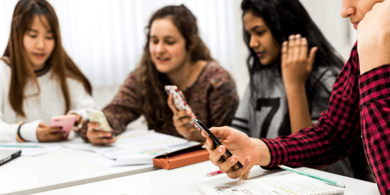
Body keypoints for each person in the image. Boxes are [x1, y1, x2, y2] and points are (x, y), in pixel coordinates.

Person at [203, 0, 390, 194]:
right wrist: (256, 150)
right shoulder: (260, 79)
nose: (344, 11)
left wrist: (374, 57)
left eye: (259, 32)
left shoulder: (341, 66)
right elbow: (332, 136)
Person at [230, 0, 359, 178]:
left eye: (260, 32)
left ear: (285, 28)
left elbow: (316, 159)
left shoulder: (326, 78)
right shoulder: (260, 79)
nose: (252, 43)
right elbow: (238, 139)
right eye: (248, 34)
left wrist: (294, 84)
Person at [78, 5, 239, 145]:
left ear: (190, 43)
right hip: (161, 168)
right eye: (154, 41)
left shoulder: (217, 81)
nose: (159, 49)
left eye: (169, 42)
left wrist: (196, 135)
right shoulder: (144, 76)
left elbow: (230, 143)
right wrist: (96, 129)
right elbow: (117, 112)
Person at [0, 0, 95, 143]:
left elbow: (92, 112)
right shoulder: (3, 71)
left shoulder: (65, 74)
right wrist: (27, 132)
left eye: (49, 37)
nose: (41, 45)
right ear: (17, 35)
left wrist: (78, 117)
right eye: (33, 35)